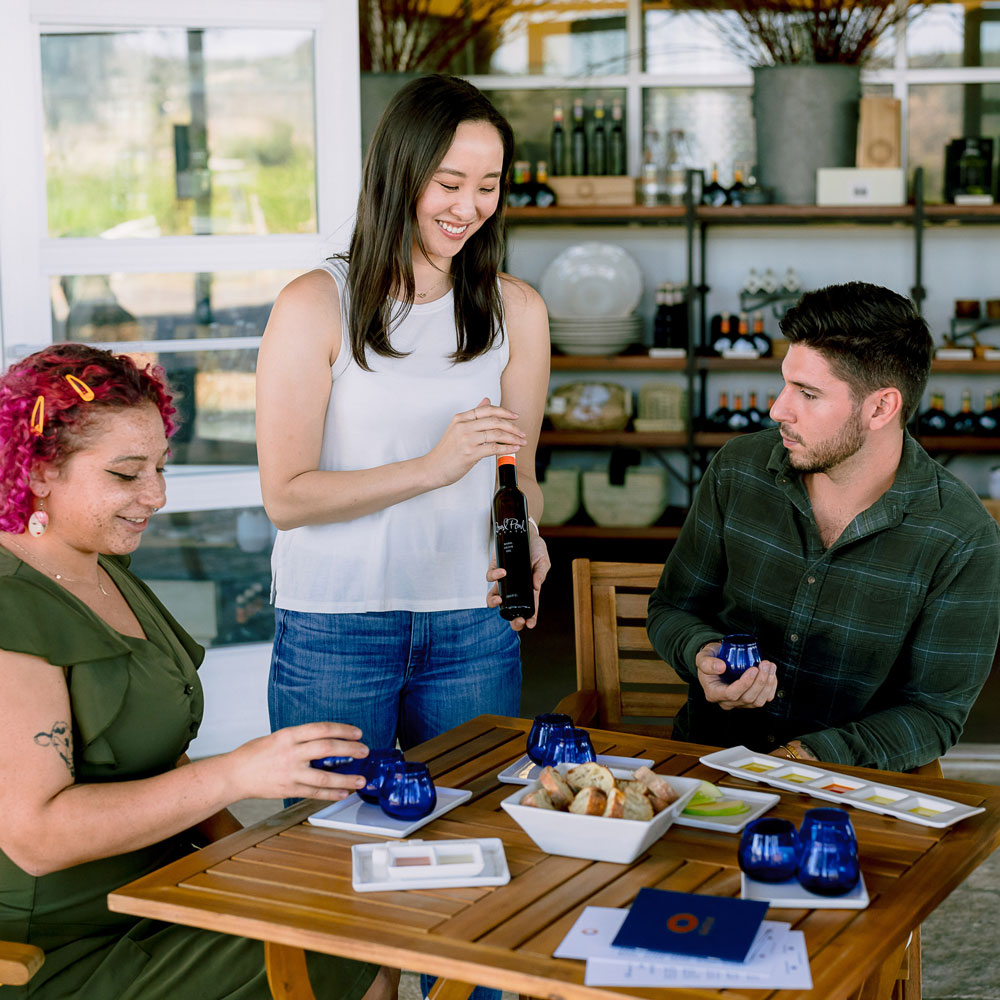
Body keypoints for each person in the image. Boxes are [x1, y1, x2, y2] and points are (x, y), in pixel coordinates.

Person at [0, 343, 394, 1000]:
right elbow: (36, 837)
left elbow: (161, 764)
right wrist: (239, 773)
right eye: (127, 475)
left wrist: (261, 857)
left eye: (160, 467)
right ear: (39, 469)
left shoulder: (99, 569)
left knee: (354, 916)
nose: (155, 496)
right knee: (343, 948)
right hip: (60, 950)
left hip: (156, 892)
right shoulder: (12, 606)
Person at [256, 74, 551, 755]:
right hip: (336, 625)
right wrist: (431, 468)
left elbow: (522, 474)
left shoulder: (520, 311)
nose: (469, 206)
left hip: (473, 626)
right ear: (400, 173)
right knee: (328, 839)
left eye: (488, 184)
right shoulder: (315, 305)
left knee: (469, 832)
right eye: (448, 183)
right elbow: (286, 498)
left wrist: (528, 531)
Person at [646, 282, 1000, 772]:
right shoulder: (737, 470)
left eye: (808, 393)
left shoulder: (961, 536)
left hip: (847, 792)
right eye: (786, 382)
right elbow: (672, 608)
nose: (778, 410)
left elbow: (935, 713)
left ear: (881, 407)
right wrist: (702, 652)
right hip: (710, 766)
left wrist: (803, 760)